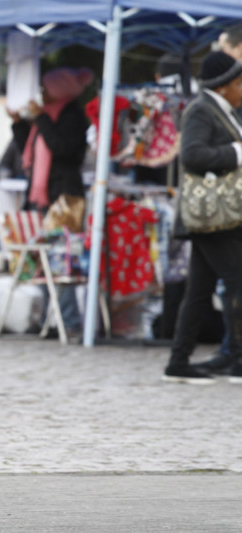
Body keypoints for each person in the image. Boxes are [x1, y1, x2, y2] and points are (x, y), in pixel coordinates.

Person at [162, 51, 242, 384]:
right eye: (239, 82)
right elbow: (192, 156)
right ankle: (238, 359)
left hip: (214, 217)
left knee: (198, 291)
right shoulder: (201, 109)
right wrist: (235, 153)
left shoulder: (222, 110)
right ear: (223, 86)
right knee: (238, 283)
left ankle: (178, 362)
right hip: (213, 217)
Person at [8, 66, 93, 340]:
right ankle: (50, 318)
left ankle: (70, 322)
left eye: (46, 88)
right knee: (43, 261)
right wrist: (20, 124)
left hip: (65, 199)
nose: (42, 94)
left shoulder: (72, 117)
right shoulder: (48, 117)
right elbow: (28, 152)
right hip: (45, 196)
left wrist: (41, 119)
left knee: (62, 262)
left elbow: (63, 149)